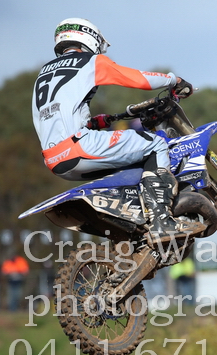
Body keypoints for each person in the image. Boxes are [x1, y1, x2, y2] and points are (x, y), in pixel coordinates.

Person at [32, 17, 204, 247]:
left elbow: (53, 117)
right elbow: (136, 78)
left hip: (55, 159)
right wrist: (174, 80)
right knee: (155, 145)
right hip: (79, 147)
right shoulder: (88, 61)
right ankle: (162, 221)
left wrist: (92, 123)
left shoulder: (43, 75)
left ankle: (134, 225)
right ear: (90, 38)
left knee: (133, 160)